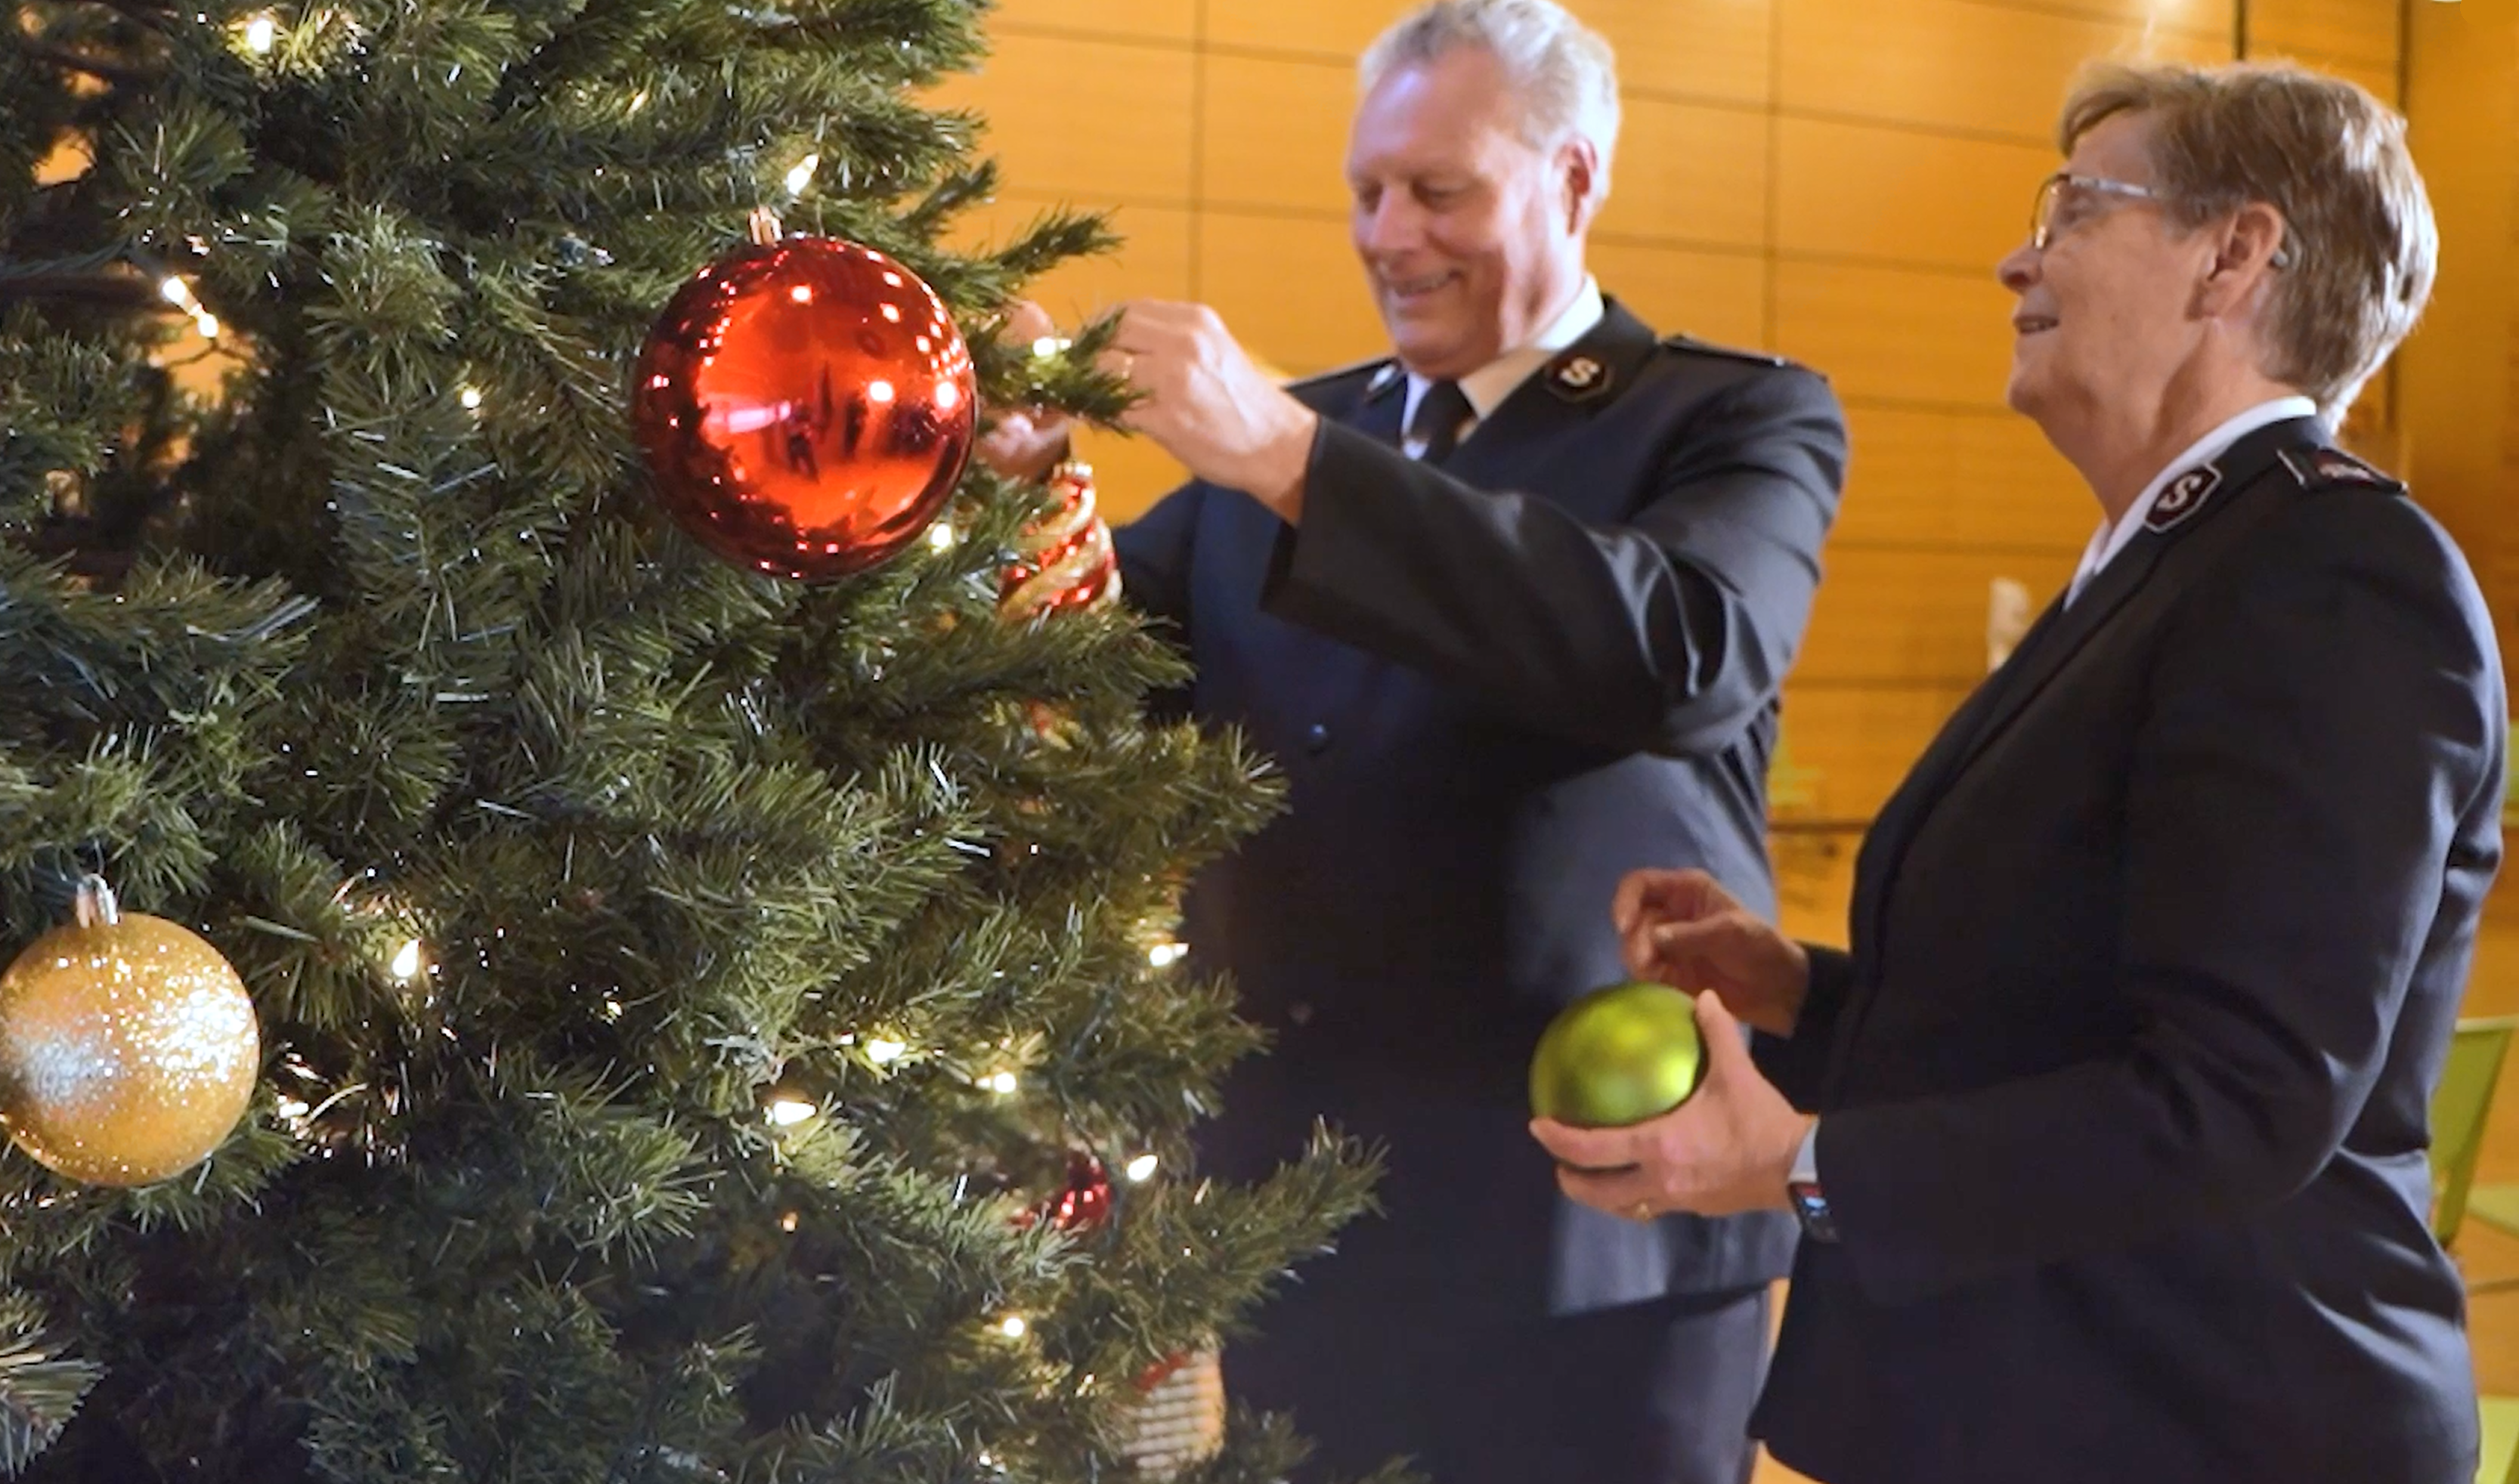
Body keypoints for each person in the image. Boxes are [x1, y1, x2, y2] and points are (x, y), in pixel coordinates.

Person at [1531, 60, 2502, 1484]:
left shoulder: (2328, 574)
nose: (2015, 257)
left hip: (2216, 1417)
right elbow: (2070, 1015)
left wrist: (1799, 1162)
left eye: (2074, 210)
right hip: (2073, 1404)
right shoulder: (2177, 561)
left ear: (2232, 254)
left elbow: (2236, 1098)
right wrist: (1801, 991)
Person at [981, 2, 1844, 1478]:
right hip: (1297, 1207)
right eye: (1364, 192)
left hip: (1594, 1225)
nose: (1386, 234)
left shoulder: (1728, 416)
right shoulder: (1295, 436)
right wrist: (1019, 493)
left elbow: (1678, 647)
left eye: (1436, 190)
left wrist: (1293, 464)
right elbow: (1110, 679)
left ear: (1573, 180)